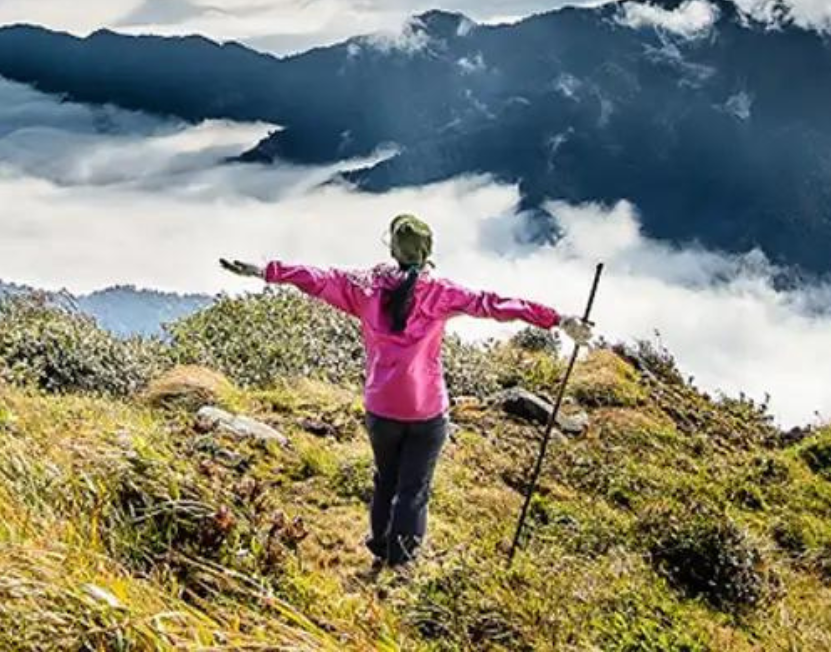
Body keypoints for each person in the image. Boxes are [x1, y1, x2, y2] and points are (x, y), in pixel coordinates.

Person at [220, 214, 592, 572]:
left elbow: (317, 278)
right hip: (427, 409)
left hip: (381, 407)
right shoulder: (441, 293)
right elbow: (495, 304)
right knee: (413, 489)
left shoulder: (364, 286)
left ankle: (380, 545)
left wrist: (266, 270)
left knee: (386, 478)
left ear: (393, 249)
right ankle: (401, 562)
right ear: (427, 251)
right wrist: (558, 320)